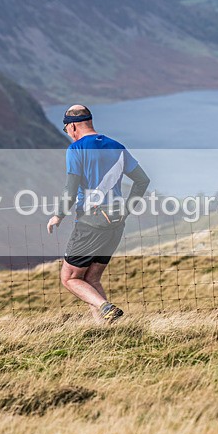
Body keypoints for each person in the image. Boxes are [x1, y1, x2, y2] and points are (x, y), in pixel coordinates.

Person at [47, 105, 150, 323]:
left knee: (69, 278)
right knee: (91, 278)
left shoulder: (77, 149)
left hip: (90, 223)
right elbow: (142, 180)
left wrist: (58, 215)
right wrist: (126, 210)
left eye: (67, 131)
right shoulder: (117, 146)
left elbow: (71, 188)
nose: (69, 135)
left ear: (72, 126)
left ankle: (105, 307)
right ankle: (105, 329)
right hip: (115, 223)